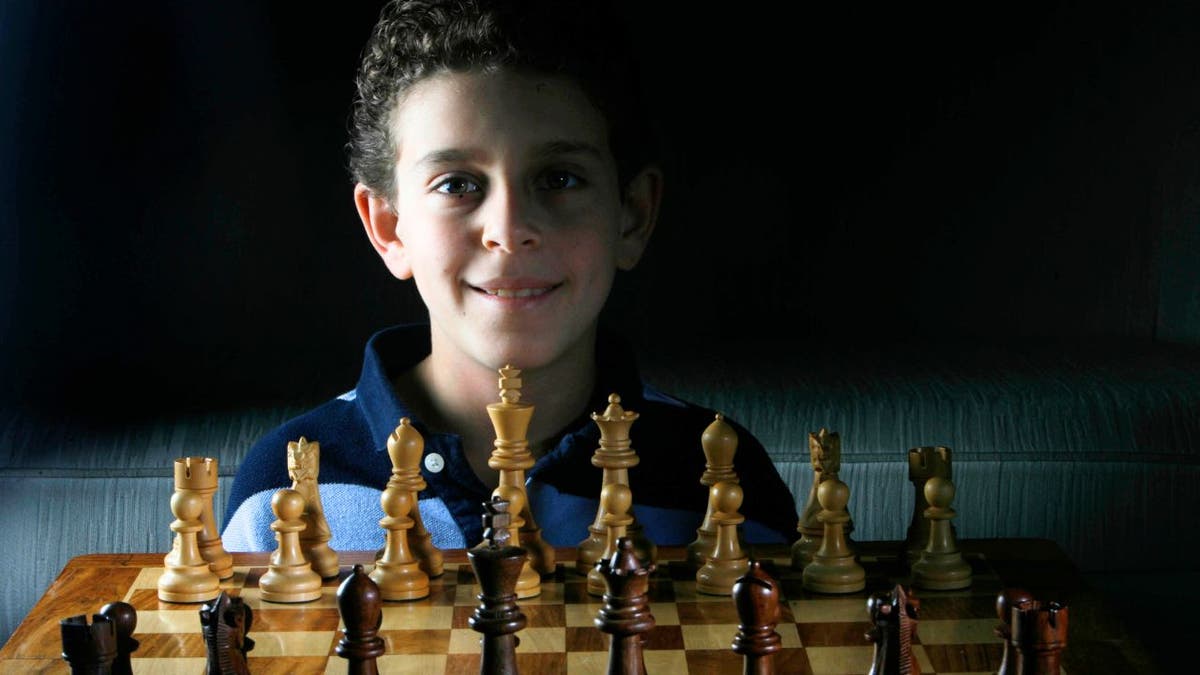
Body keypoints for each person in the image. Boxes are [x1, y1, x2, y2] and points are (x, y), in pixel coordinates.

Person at [222, 0, 799, 552]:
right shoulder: (284, 487)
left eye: (559, 178)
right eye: (456, 184)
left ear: (633, 216)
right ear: (390, 228)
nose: (510, 228)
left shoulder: (718, 474)